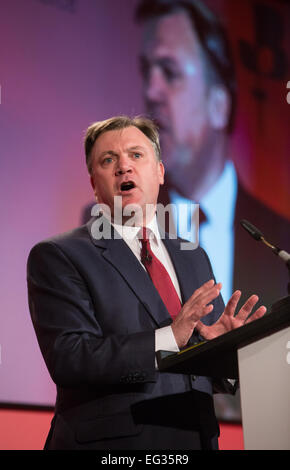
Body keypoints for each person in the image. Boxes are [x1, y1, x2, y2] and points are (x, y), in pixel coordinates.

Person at [27, 115, 266, 450]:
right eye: (108, 160)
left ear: (160, 171)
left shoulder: (192, 255)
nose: (124, 167)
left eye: (136, 155)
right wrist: (170, 336)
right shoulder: (59, 255)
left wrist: (220, 351)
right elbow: (71, 358)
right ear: (94, 183)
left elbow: (197, 374)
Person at [135, 0, 290, 311]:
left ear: (219, 103)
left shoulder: (280, 238)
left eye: (169, 71)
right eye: (146, 71)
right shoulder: (121, 229)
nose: (151, 92)